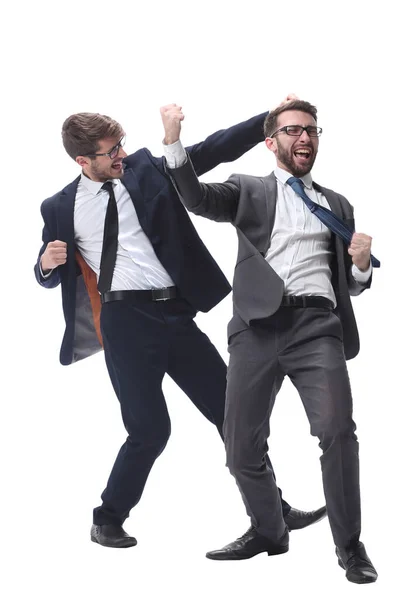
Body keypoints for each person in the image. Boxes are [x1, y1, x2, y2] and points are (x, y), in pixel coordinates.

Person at [34, 103, 325, 549]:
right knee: (150, 429)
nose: (121, 156)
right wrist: (45, 265)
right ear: (82, 161)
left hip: (175, 315)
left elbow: (214, 149)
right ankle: (108, 517)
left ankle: (275, 513)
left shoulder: (147, 168)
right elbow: (50, 269)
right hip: (124, 323)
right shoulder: (59, 206)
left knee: (233, 416)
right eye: (111, 152)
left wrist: (274, 114)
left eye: (122, 146)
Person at [163, 99, 378, 583]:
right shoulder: (249, 190)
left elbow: (354, 284)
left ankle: (350, 547)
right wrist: (173, 142)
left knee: (337, 432)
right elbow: (196, 199)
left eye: (312, 131)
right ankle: (269, 529)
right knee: (240, 447)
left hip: (316, 328)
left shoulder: (337, 205)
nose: (304, 138)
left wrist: (362, 263)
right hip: (256, 329)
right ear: (271, 141)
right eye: (293, 130)